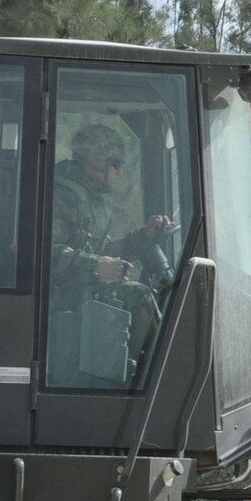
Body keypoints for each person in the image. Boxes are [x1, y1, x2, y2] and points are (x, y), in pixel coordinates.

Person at [49, 123, 175, 383]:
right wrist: (95, 266)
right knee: (138, 295)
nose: (119, 172)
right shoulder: (63, 195)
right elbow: (42, 255)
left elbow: (102, 251)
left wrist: (144, 236)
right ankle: (153, 381)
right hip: (56, 301)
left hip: (77, 295)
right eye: (115, 163)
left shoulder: (89, 198)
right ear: (95, 161)